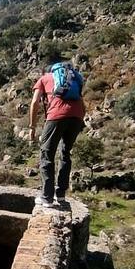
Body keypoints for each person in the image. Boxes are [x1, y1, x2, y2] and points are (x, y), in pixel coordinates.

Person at [29, 62, 85, 208]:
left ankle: (47, 197)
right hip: (77, 116)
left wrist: (32, 127)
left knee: (47, 153)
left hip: (56, 115)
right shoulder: (74, 79)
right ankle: (60, 195)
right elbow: (82, 102)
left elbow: (35, 102)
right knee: (65, 153)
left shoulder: (44, 78)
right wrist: (79, 120)